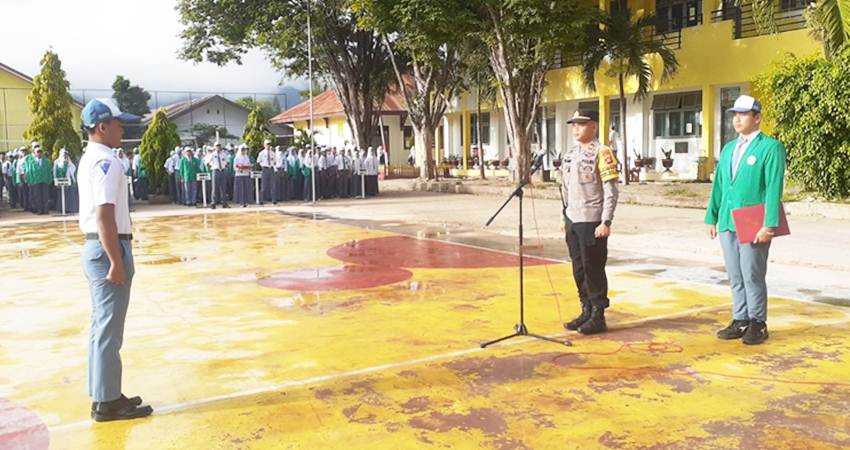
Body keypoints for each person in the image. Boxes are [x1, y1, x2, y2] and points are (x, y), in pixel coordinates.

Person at [77, 98, 152, 422]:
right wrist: (116, 261)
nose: (123, 129)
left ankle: (105, 394)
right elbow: (104, 215)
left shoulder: (92, 158)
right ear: (102, 126)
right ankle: (108, 404)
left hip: (98, 246)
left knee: (100, 327)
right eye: (118, 124)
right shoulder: (106, 162)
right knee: (108, 329)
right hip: (109, 246)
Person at [705, 95, 786, 346]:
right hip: (729, 220)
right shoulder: (729, 148)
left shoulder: (770, 147)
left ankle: (757, 322)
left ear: (757, 117)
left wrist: (769, 225)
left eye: (743, 114)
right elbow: (719, 186)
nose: (737, 118)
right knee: (735, 273)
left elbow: (774, 188)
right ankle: (740, 318)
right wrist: (712, 216)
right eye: (734, 114)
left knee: (752, 273)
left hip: (754, 221)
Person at [559, 109, 620, 335]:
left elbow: (611, 190)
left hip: (592, 219)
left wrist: (606, 221)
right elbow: (564, 188)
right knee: (578, 268)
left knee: (593, 268)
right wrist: (564, 216)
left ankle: (598, 315)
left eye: (581, 124)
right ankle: (585, 308)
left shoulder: (602, 152)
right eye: (574, 124)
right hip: (573, 218)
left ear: (593, 126)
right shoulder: (571, 154)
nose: (576, 128)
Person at [27, 145, 53, 215]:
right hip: (36, 181)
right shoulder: (31, 162)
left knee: (45, 196)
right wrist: (30, 181)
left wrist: (50, 180)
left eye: (40, 152)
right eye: (37, 152)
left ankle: (46, 210)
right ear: (35, 153)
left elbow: (49, 171)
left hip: (44, 181)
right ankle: (40, 209)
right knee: (37, 196)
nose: (39, 153)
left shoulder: (47, 161)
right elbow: (30, 172)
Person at [206, 142, 230, 209]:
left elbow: (228, 162)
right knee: (214, 188)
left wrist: (224, 166)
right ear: (214, 147)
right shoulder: (213, 154)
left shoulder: (223, 154)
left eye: (219, 146)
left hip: (222, 170)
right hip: (215, 170)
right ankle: (213, 203)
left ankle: (224, 203)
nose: (218, 147)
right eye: (217, 146)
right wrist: (212, 167)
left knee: (223, 187)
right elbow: (207, 162)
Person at [53, 148, 79, 213]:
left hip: (68, 181)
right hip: (60, 181)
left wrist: (68, 164)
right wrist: (55, 179)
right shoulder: (57, 162)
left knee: (69, 195)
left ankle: (69, 209)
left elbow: (73, 170)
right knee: (61, 196)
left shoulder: (69, 162)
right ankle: (62, 209)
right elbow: (55, 171)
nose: (64, 155)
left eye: (65, 154)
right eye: (63, 154)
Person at [258, 139, 274, 204]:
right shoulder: (261, 153)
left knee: (273, 185)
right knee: (263, 185)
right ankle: (261, 200)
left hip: (271, 169)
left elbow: (274, 161)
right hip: (265, 169)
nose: (268, 145)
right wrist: (262, 166)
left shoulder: (273, 153)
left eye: (269, 144)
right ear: (264, 145)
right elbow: (259, 161)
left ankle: (273, 200)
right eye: (267, 144)